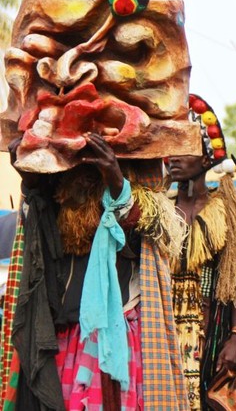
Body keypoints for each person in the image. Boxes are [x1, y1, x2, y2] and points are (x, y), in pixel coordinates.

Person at [4, 135, 189, 410]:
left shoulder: (140, 198)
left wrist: (116, 184)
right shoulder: (56, 198)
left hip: (114, 334)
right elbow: (37, 241)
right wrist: (30, 182)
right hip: (61, 334)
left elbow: (143, 242)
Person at [165, 94, 236, 410]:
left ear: (205, 159)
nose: (172, 158)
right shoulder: (160, 209)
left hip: (210, 327)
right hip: (162, 325)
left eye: (183, 150)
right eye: (170, 151)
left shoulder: (227, 208)